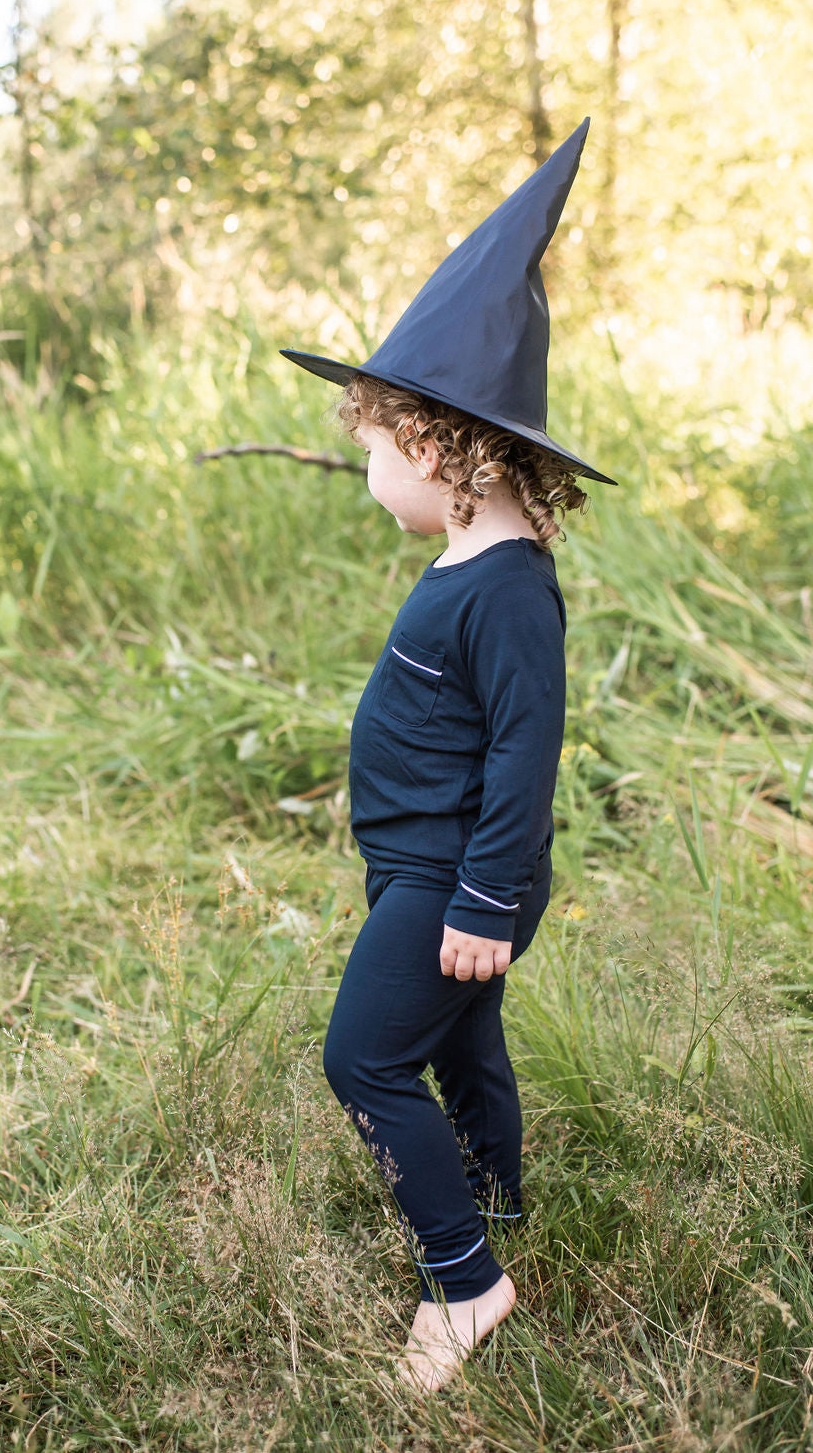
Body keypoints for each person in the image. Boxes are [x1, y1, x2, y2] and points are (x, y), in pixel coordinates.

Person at [280, 120, 616, 1391]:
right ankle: (495, 1199)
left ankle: (466, 1280)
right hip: (420, 866)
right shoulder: (468, 559)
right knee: (462, 1044)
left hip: (453, 876)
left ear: (430, 448)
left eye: (372, 447)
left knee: (363, 1057)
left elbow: (526, 754)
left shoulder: (509, 588)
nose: (368, 468)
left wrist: (478, 899)